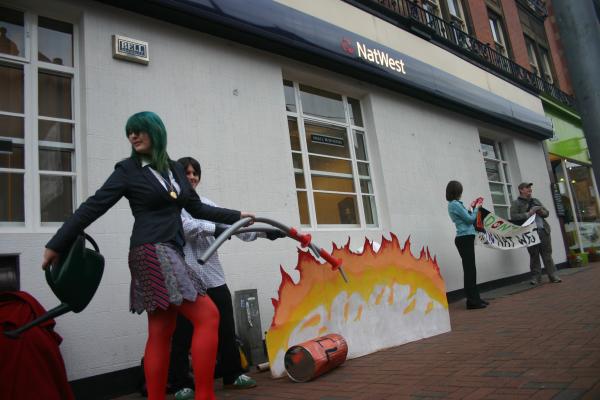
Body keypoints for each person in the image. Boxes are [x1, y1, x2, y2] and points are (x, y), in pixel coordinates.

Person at [41, 111, 253, 400]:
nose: (133, 136)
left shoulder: (176, 170)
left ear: (156, 132)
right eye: (130, 132)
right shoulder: (128, 170)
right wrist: (57, 242)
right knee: (208, 316)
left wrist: (237, 215)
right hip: (152, 250)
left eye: (140, 130)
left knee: (162, 329)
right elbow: (94, 205)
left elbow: (197, 208)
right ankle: (206, 395)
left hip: (169, 250)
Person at [167, 157, 285, 396]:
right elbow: (188, 228)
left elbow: (237, 229)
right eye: (187, 173)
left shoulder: (208, 204)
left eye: (195, 173)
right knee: (183, 334)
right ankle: (181, 384)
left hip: (213, 277)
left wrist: (264, 233)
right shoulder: (171, 206)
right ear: (178, 177)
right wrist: (217, 228)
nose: (191, 177)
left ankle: (232, 375)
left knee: (225, 329)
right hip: (186, 277)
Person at [446, 180, 488, 310]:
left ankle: (475, 298)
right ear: (458, 191)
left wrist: (471, 208)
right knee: (470, 271)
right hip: (464, 239)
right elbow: (470, 220)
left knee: (471, 270)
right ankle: (472, 301)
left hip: (466, 238)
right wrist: (477, 208)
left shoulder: (456, 204)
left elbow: (467, 218)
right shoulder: (454, 204)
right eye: (461, 190)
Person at [510, 182, 562, 285]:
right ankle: (536, 278)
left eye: (530, 187)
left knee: (547, 255)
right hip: (530, 233)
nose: (530, 189)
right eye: (527, 187)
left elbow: (547, 213)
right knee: (534, 256)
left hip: (543, 230)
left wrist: (541, 212)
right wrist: (528, 213)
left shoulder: (536, 200)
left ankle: (553, 275)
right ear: (521, 190)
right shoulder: (516, 203)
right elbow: (514, 217)